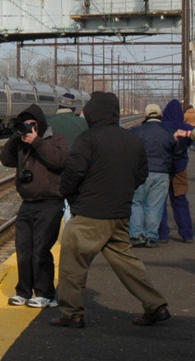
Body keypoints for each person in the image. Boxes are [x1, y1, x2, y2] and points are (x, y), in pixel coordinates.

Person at [54, 91, 170, 328]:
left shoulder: (87, 139)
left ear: (93, 113)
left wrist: (69, 195)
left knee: (72, 263)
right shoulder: (133, 140)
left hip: (89, 214)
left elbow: (73, 173)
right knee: (127, 263)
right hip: (119, 214)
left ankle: (72, 313)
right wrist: (122, 194)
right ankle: (156, 305)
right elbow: (141, 175)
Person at [0, 104, 68, 308]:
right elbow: (5, 160)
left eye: (32, 124)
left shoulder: (56, 140)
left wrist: (37, 141)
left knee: (41, 249)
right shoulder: (22, 144)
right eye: (26, 124)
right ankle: (24, 291)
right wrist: (15, 137)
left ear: (41, 124)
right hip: (27, 203)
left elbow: (58, 161)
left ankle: (46, 293)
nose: (29, 128)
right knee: (23, 249)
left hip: (50, 202)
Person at [129, 104, 183, 247]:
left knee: (136, 203)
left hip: (140, 173)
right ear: (161, 116)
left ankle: (136, 235)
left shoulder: (136, 131)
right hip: (162, 173)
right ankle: (151, 237)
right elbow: (178, 153)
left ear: (145, 116)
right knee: (155, 206)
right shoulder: (170, 133)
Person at [47, 92, 88, 221]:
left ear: (59, 105)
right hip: (75, 174)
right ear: (73, 107)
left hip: (51, 174)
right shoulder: (82, 124)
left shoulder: (47, 122)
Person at [160, 101, 195, 243]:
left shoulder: (162, 127)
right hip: (180, 169)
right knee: (180, 200)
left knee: (160, 201)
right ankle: (187, 234)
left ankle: (162, 234)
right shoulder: (188, 128)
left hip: (163, 168)